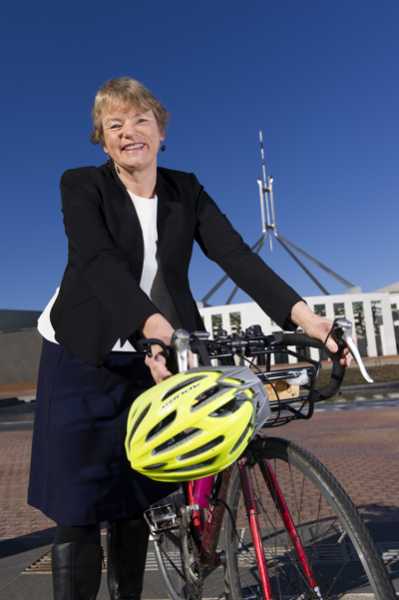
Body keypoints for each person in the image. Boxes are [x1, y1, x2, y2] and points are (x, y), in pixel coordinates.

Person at [28, 77, 351, 600]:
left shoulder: (186, 189)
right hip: (81, 353)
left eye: (140, 121)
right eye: (115, 125)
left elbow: (237, 256)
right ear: (102, 139)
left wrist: (304, 318)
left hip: (153, 354)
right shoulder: (81, 184)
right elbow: (99, 261)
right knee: (82, 506)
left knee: (135, 497)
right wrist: (156, 329)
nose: (129, 133)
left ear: (161, 132)